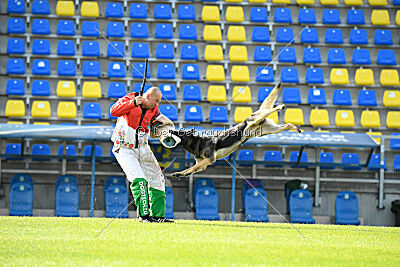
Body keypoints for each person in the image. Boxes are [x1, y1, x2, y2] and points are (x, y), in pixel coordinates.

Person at [110, 87, 173, 223]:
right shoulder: (130, 98)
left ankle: (158, 216)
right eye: (156, 100)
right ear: (147, 96)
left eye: (159, 102)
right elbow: (113, 111)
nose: (157, 104)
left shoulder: (154, 109)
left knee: (158, 179)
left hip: (143, 148)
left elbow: (157, 123)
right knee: (140, 181)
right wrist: (133, 103)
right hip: (124, 148)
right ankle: (143, 216)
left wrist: (166, 130)